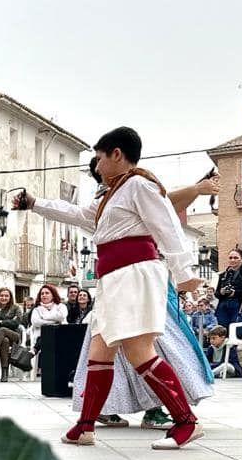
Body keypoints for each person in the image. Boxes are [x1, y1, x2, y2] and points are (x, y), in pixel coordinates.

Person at [14, 127, 204, 448]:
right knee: (99, 354)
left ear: (117, 154)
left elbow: (168, 225)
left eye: (100, 158)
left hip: (134, 275)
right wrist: (34, 203)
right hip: (113, 279)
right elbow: (76, 214)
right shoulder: (111, 195)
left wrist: (184, 271)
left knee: (139, 351)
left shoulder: (140, 185)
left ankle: (186, 421)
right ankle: (85, 426)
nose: (97, 166)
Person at [70, 168, 219, 430]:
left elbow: (166, 211)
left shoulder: (131, 191)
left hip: (134, 283)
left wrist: (195, 189)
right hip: (122, 286)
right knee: (130, 350)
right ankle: (98, 416)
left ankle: (160, 412)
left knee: (143, 349)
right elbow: (167, 205)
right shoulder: (111, 199)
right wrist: (196, 189)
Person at [0, 287, 27, 380]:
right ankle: (4, 373)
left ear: (10, 297)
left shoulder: (16, 308)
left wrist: (0, 322)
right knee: (4, 340)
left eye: (6, 296)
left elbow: (16, 323)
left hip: (14, 336)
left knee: (3, 330)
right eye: (2, 295)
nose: (4, 298)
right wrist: (9, 321)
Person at [214, 248, 242, 332]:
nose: (232, 260)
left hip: (240, 307)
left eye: (235, 258)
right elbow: (216, 293)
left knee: (237, 332)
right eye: (230, 258)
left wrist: (235, 293)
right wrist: (222, 292)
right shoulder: (224, 275)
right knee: (223, 332)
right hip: (223, 307)